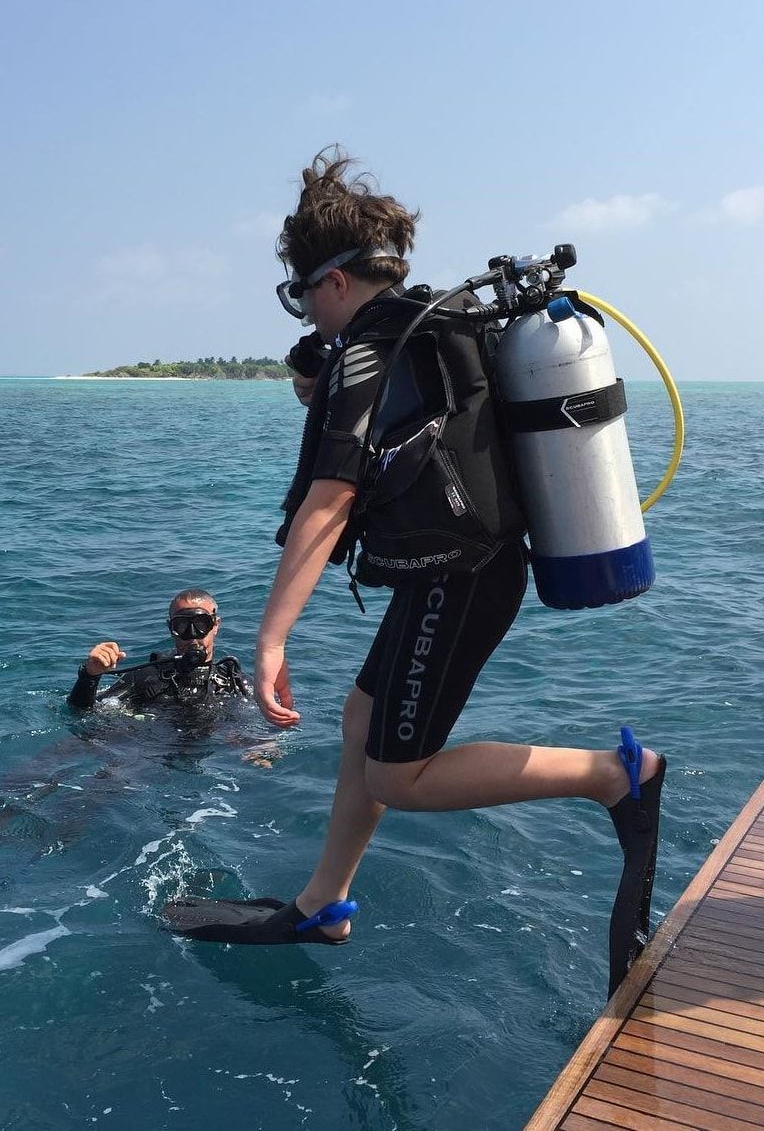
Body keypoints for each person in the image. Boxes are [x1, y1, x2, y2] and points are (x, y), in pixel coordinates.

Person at [164, 151, 666, 995]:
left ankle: (615, 775)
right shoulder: (424, 328)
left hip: (459, 577)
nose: (306, 315)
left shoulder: (372, 351)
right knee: (362, 724)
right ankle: (326, 903)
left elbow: (330, 500)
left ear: (329, 282)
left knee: (400, 774)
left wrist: (270, 636)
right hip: (460, 567)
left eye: (300, 295)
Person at [68, 588, 251, 711]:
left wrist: (261, 745)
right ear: (170, 628)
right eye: (182, 626)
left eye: (201, 624)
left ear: (215, 625)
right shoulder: (147, 676)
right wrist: (90, 676)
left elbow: (266, 719)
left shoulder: (233, 681)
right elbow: (82, 713)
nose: (193, 635)